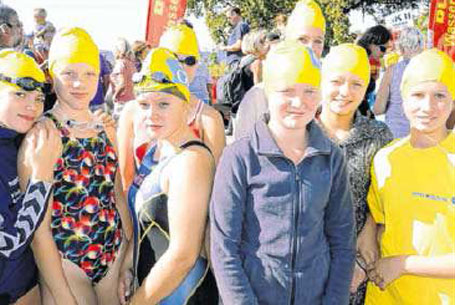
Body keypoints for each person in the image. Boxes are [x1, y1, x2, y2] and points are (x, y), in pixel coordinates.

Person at [210, 40, 355, 305]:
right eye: (286, 91)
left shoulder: (332, 158)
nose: (298, 102)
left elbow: (343, 241)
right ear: (267, 93)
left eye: (310, 91)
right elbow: (223, 247)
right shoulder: (240, 157)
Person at [19, 27, 131, 305]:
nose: (79, 84)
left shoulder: (104, 128)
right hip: (66, 264)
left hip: (113, 253)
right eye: (69, 73)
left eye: (89, 74)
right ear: (52, 74)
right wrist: (63, 297)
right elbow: (37, 230)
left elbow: (117, 195)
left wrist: (130, 251)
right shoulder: (42, 135)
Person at [118, 47, 218, 305]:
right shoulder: (158, 149)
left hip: (183, 294)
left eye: (164, 103)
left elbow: (184, 254)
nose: (152, 114)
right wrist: (128, 265)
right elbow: (146, 222)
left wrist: (139, 302)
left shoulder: (191, 161)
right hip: (155, 291)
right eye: (144, 105)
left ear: (185, 106)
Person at [365, 48, 455, 304]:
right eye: (417, 95)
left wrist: (404, 264)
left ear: (452, 100)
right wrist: (368, 233)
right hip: (386, 296)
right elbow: (380, 215)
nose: (428, 107)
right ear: (403, 100)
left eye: (439, 95)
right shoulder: (386, 158)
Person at [317, 44, 393, 305]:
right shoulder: (298, 132)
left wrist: (370, 228)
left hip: (357, 269)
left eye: (356, 84)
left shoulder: (379, 136)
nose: (345, 92)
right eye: (336, 81)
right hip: (303, 268)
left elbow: (389, 198)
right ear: (321, 81)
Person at [118, 24, 225, 193]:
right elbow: (125, 180)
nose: (180, 67)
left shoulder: (208, 119)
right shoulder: (132, 111)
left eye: (189, 60)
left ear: (197, 64)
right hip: (138, 212)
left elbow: (216, 186)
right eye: (172, 59)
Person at [0, 50, 60, 305]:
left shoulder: (17, 137)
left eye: (38, 98)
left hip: (26, 285)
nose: (31, 106)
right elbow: (10, 243)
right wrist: (41, 180)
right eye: (20, 94)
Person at [234, 0, 326, 140]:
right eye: (302, 39)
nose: (310, 48)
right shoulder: (258, 97)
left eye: (318, 41)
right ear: (288, 41)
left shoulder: (330, 93)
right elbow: (241, 152)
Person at [374, 27, 424, 138]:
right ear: (422, 46)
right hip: (424, 137)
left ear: (401, 48)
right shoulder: (432, 70)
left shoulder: (392, 71)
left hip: (396, 136)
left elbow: (378, 109)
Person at [356, 25, 392, 118]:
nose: (384, 53)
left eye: (386, 49)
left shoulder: (373, 61)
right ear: (372, 44)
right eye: (383, 49)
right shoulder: (358, 59)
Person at [110, 37, 137, 121]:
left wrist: (115, 96)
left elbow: (122, 84)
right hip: (132, 99)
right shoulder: (131, 63)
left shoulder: (120, 64)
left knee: (119, 127)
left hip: (122, 101)